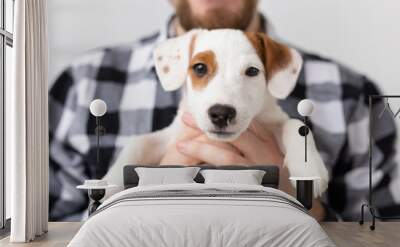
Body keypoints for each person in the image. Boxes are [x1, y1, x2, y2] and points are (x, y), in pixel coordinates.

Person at [49, 0, 398, 221]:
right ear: (177, 64)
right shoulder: (81, 84)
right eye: (200, 68)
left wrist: (306, 205)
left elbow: (384, 236)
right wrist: (129, 204)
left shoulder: (352, 95)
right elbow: (44, 229)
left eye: (250, 71)